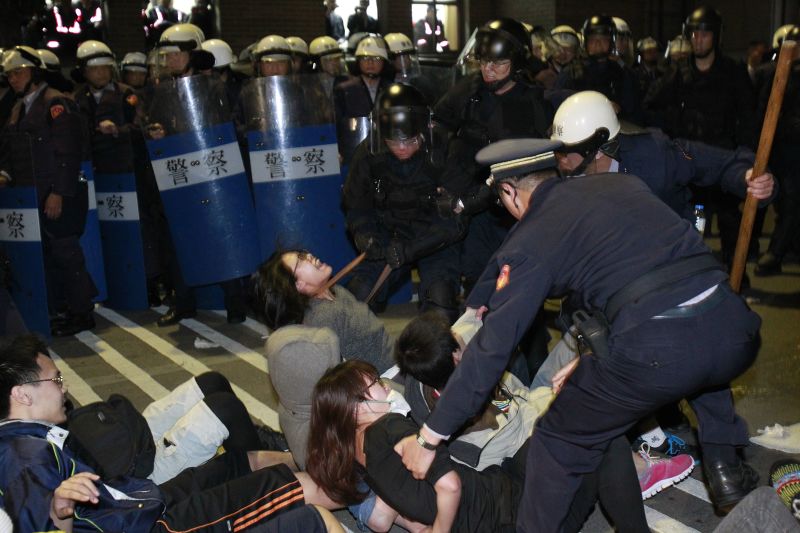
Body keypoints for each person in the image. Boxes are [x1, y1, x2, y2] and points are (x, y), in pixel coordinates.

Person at [394, 138, 761, 530]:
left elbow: (491, 350)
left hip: (653, 351)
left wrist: (430, 437)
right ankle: (724, 465)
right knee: (696, 343)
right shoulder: (621, 185)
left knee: (557, 441)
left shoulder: (533, 237)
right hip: (734, 327)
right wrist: (481, 305)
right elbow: (629, 276)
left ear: (508, 192)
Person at [0, 334, 343, 533]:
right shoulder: (24, 459)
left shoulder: (31, 440)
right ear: (22, 394)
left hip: (138, 498)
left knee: (237, 463)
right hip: (149, 524)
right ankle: (365, 486)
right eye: (56, 380)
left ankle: (344, 466)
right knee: (310, 512)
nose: (64, 388)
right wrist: (60, 512)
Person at [306, 360, 652, 533]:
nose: (386, 386)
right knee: (606, 442)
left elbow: (403, 505)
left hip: (501, 488)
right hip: (522, 513)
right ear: (357, 406)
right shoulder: (388, 428)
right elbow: (449, 485)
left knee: (551, 430)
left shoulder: (356, 452)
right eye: (377, 384)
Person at [644, 6, 758, 274]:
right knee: (696, 220)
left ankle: (736, 274)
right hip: (692, 163)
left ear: (715, 37)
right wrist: (673, 129)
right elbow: (650, 105)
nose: (698, 39)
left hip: (724, 159)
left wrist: (746, 155)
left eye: (705, 34)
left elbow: (749, 116)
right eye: (694, 34)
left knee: (731, 222)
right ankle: (696, 272)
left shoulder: (733, 72)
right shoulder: (679, 73)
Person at [344, 83, 466, 319]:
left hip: (435, 240)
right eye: (393, 142)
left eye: (409, 141)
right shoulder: (368, 155)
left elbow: (456, 222)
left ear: (424, 129)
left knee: (440, 305)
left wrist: (411, 251)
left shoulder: (446, 150)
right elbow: (356, 206)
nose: (401, 149)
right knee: (358, 296)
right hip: (389, 237)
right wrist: (365, 236)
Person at [1, 46, 97, 337]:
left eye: (18, 72)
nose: (13, 79)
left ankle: (82, 312)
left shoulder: (56, 103)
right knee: (48, 255)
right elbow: (12, 149)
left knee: (66, 253)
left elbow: (68, 153)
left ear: (35, 73)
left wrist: (58, 192)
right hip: (30, 195)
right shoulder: (19, 108)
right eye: (9, 75)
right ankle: (62, 309)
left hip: (57, 194)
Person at [251, 248, 394, 373]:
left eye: (303, 254)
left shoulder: (336, 290)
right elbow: (338, 377)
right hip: (386, 376)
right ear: (298, 284)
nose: (309, 256)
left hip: (394, 359)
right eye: (301, 260)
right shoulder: (322, 316)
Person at [754, 26, 800, 276]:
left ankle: (783, 248)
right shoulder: (774, 74)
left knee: (792, 201)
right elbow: (764, 112)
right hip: (781, 149)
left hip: (793, 150)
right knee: (784, 200)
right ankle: (780, 248)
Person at [554, 14, 642, 124]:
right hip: (580, 129)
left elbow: (634, 112)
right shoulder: (571, 73)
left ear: (612, 41)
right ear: (585, 42)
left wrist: (620, 112)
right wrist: (599, 104)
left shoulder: (622, 74)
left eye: (604, 39)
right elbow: (556, 102)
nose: (598, 44)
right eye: (592, 40)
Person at [334, 36, 392, 121]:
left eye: (376, 58)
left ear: (384, 62)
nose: (370, 62)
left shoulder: (391, 89)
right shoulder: (345, 90)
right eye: (364, 58)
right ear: (358, 61)